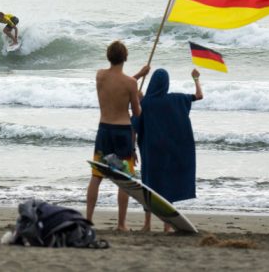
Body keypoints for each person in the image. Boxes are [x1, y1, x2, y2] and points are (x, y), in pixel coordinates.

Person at [86, 40, 150, 231]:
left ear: (108, 57)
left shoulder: (100, 76)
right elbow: (137, 113)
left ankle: (88, 219)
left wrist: (138, 75)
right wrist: (138, 97)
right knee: (124, 179)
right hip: (122, 132)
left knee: (97, 175)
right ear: (126, 57)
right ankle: (121, 223)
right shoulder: (130, 84)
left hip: (104, 129)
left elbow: (117, 81)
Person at [136, 68, 203, 232]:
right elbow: (199, 96)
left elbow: (136, 123)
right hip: (168, 151)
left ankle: (147, 224)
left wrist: (138, 95)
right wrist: (195, 79)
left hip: (150, 151)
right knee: (167, 186)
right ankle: (167, 226)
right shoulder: (176, 99)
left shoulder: (146, 103)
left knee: (148, 185)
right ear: (166, 84)